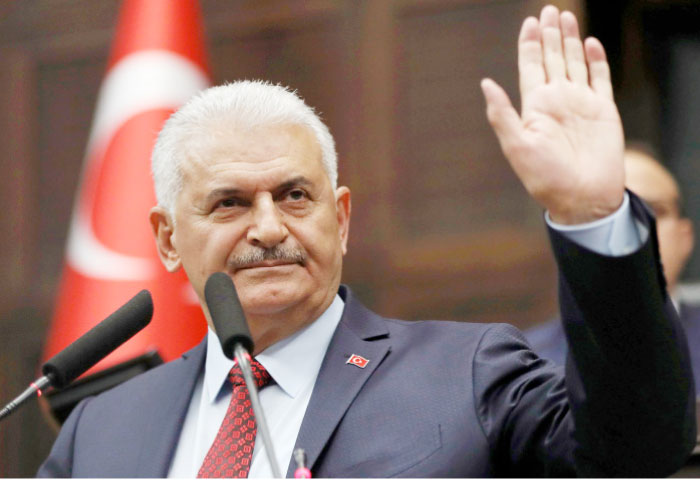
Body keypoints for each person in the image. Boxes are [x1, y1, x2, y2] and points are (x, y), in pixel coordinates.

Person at [38, 5, 696, 478]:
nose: (269, 228)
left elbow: (636, 453)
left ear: (342, 218)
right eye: (230, 202)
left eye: (295, 196)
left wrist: (591, 216)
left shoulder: (466, 374)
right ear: (167, 238)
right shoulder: (103, 429)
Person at [525, 145, 700, 393]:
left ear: (686, 237)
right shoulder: (528, 364)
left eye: (653, 210)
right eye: (609, 212)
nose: (634, 226)